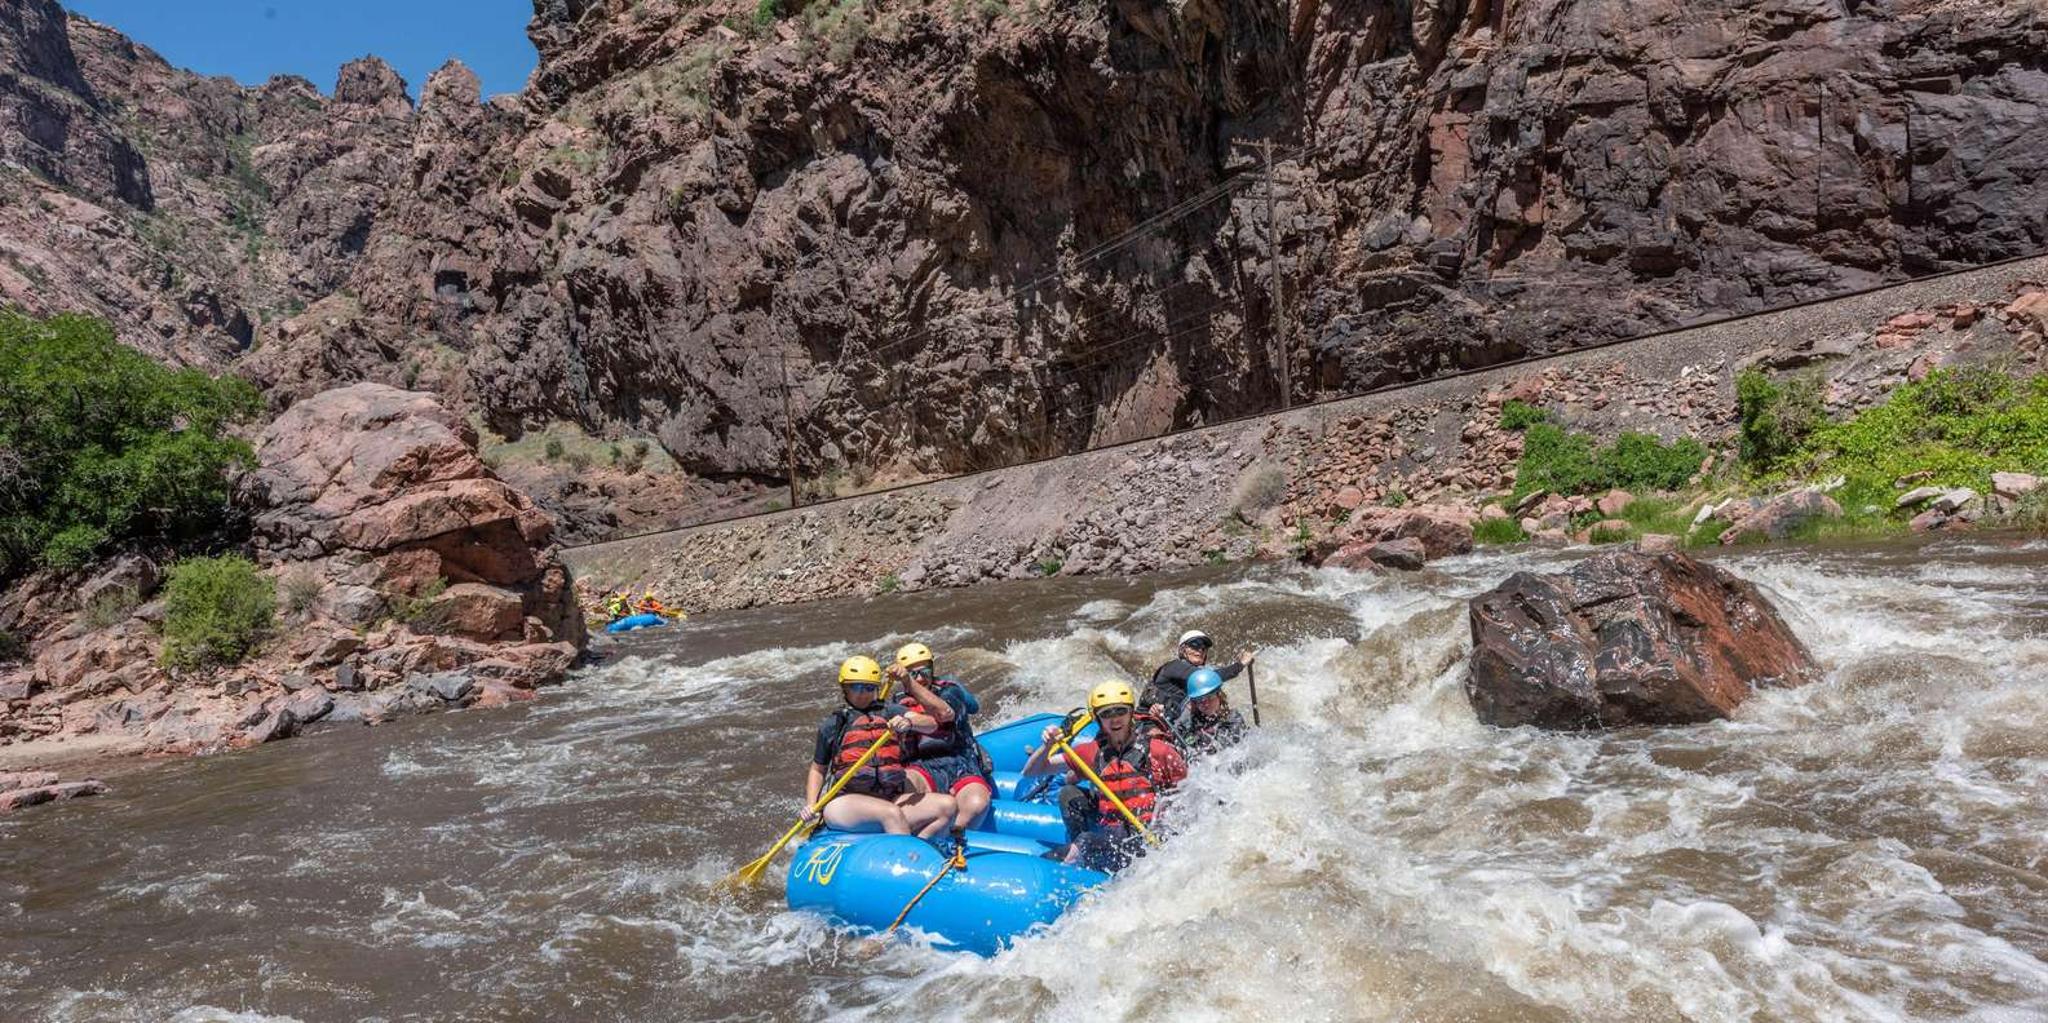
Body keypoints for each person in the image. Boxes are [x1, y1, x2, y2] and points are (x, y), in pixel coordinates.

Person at [1020, 680, 1187, 871]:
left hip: (1148, 833)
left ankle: (1076, 861)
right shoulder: (1091, 752)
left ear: (1131, 713)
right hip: (1112, 834)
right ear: (1097, 719)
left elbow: (1187, 790)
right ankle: (1081, 855)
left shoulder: (1158, 750)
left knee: (1086, 841)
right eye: (1107, 714)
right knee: (1069, 794)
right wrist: (1047, 745)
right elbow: (1031, 772)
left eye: (1120, 711)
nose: (1115, 719)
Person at [804, 656, 955, 839]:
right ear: (845, 688)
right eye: (856, 687)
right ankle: (906, 851)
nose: (863, 693)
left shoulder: (889, 711)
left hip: (889, 798)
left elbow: (931, 724)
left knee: (947, 806)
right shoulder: (833, 724)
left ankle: (920, 847)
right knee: (890, 814)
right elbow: (818, 769)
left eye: (869, 687)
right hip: (845, 803)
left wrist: (910, 722)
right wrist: (811, 805)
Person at [887, 642, 991, 858]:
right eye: (913, 674)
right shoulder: (897, 701)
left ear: (932, 669)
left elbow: (944, 715)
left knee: (977, 804)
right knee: (902, 785)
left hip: (959, 761)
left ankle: (954, 840)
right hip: (920, 764)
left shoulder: (950, 691)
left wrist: (908, 682)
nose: (920, 678)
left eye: (924, 672)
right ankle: (913, 843)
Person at [1143, 629, 1254, 724]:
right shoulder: (1175, 666)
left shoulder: (1196, 682)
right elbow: (1212, 678)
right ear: (1183, 650)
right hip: (1151, 723)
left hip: (1172, 723)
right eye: (1195, 645)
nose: (1200, 650)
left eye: (1204, 647)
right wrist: (1241, 664)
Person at [1173, 667, 1248, 760]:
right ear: (1194, 703)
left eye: (1210, 697)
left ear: (1219, 696)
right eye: (1199, 700)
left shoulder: (1233, 719)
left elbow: (1224, 751)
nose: (1205, 703)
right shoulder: (1189, 723)